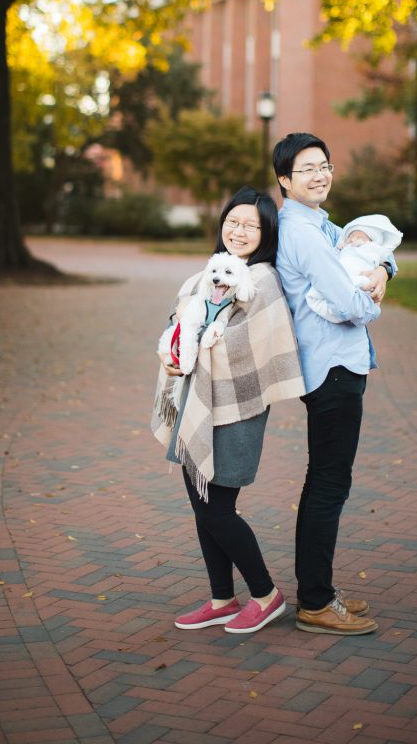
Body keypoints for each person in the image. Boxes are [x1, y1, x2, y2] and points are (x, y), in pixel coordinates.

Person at [152, 186, 305, 635]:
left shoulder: (263, 281)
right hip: (192, 400)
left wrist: (198, 342)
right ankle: (222, 597)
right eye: (232, 222)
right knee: (202, 507)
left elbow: (244, 347)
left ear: (266, 232)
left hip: (236, 408)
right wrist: (172, 349)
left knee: (218, 509)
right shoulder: (207, 274)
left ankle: (266, 594)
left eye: (251, 225)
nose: (239, 231)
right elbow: (180, 323)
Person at [272, 133, 397, 636]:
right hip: (331, 370)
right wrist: (373, 301)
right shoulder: (300, 232)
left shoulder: (320, 222)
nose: (320, 175)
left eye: (324, 165)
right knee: (328, 482)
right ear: (285, 180)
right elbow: (348, 303)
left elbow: (372, 247)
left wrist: (385, 268)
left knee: (326, 479)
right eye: (307, 169)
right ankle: (316, 601)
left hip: (336, 366)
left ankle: (318, 589)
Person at [306, 214, 402, 323]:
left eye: (358, 237)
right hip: (342, 280)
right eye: (350, 236)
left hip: (360, 273)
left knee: (363, 283)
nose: (352, 239)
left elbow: (387, 256)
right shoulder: (342, 241)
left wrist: (383, 270)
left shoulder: (333, 229)